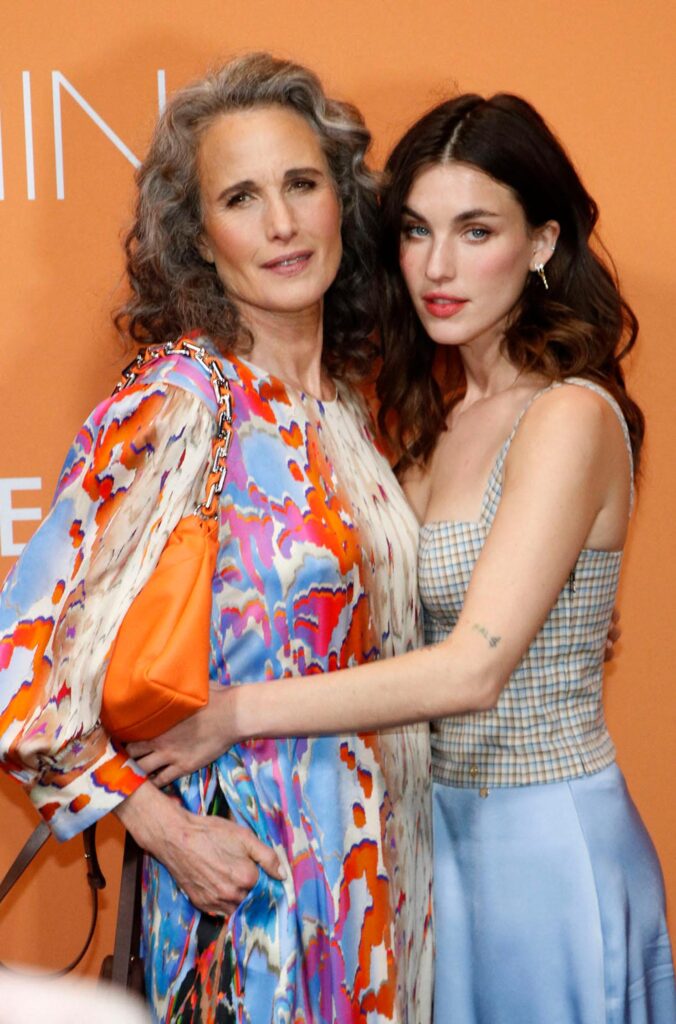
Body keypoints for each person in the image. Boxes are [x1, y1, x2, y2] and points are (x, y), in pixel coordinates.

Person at [135, 94, 676, 1022]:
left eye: (476, 231)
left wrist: (232, 714)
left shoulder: (570, 416)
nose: (437, 267)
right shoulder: (429, 422)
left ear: (544, 244)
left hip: (537, 847)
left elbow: (471, 668)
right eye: (418, 230)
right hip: (427, 845)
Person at [0, 55, 433, 1023]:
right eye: (242, 197)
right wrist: (165, 831)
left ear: (340, 201)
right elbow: (21, 663)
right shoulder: (183, 400)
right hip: (251, 895)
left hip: (372, 877)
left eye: (300, 185)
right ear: (199, 238)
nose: (281, 223)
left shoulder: (350, 407)